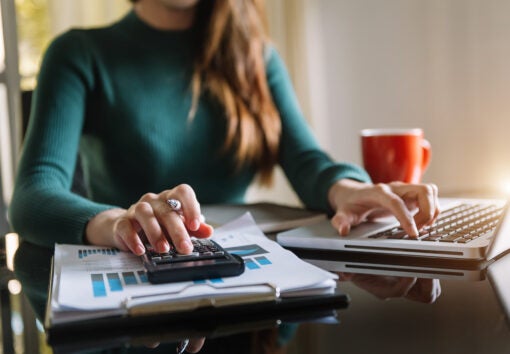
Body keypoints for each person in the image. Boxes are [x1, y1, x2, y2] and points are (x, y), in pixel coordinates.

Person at [9, 0, 439, 257]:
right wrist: (118, 222)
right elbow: (33, 196)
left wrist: (346, 190)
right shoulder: (78, 55)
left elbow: (305, 159)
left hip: (247, 277)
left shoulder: (256, 57)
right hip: (137, 270)